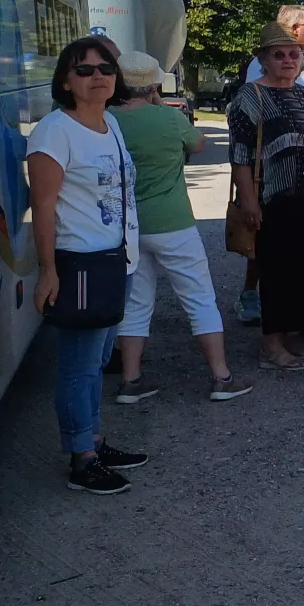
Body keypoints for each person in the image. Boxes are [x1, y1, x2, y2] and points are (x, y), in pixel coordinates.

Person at [27, 37, 146, 494]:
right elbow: (43, 206)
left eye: (106, 68)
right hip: (79, 263)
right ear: (65, 81)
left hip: (117, 261)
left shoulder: (110, 124)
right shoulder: (55, 132)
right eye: (84, 70)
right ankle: (82, 458)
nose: (98, 76)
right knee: (78, 366)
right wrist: (48, 269)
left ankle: (94, 439)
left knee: (97, 362)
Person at [111, 51, 251, 403]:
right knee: (199, 298)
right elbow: (198, 143)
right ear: (154, 84)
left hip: (128, 225)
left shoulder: (109, 119)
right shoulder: (168, 119)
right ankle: (221, 376)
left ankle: (131, 380)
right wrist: (158, 104)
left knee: (136, 302)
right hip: (173, 221)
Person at [229, 23, 304, 371]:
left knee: (298, 269)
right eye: (279, 55)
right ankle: (270, 345)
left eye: (293, 54)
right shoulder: (250, 96)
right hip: (271, 196)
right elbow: (240, 155)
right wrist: (250, 202)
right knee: (273, 269)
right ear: (263, 59)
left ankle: (285, 338)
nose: (287, 60)